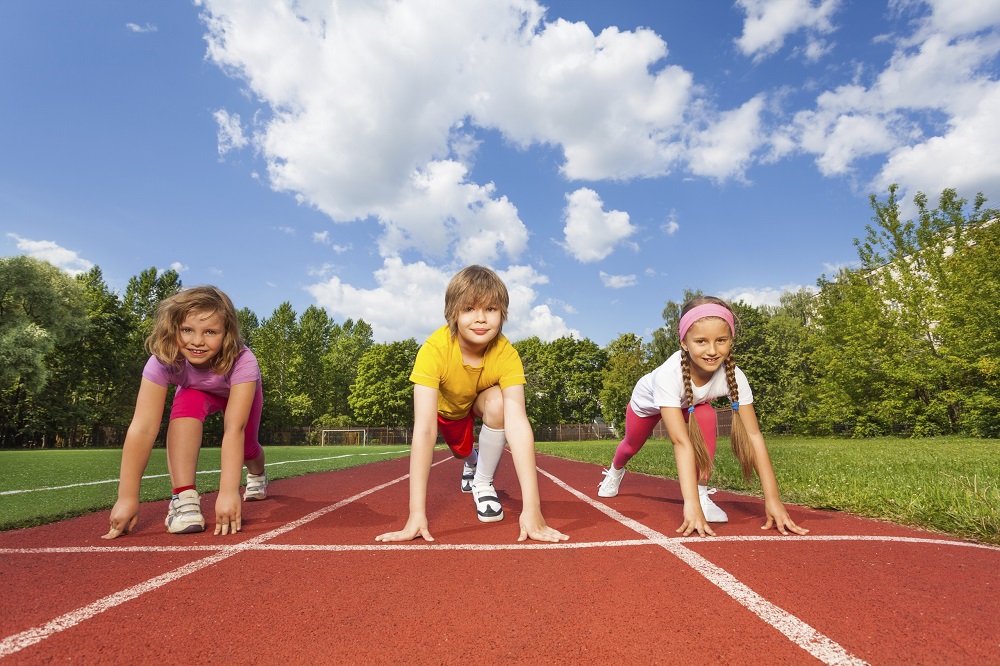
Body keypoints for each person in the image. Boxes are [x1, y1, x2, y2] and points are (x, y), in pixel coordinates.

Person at [376, 265, 568, 543]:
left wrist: (532, 509)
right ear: (453, 313)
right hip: (449, 411)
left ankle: (482, 482)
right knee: (462, 452)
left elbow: (518, 422)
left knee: (501, 405)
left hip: (479, 402)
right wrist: (416, 514)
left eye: (490, 309)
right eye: (468, 309)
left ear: (503, 313)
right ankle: (472, 462)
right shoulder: (435, 350)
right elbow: (425, 429)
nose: (480, 319)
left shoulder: (506, 353)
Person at [597, 296, 808, 537]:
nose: (712, 351)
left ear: (731, 340)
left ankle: (702, 492)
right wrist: (690, 506)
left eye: (721, 340)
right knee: (630, 446)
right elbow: (681, 442)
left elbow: (753, 435)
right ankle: (615, 471)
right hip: (648, 405)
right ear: (684, 343)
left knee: (706, 415)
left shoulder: (734, 376)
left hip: (693, 405)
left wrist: (773, 501)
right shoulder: (668, 374)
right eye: (701, 341)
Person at [102, 286, 267, 539]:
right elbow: (143, 428)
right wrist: (127, 497)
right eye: (187, 330)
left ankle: (257, 473)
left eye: (210, 332)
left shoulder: (244, 360)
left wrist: (228, 492)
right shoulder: (163, 361)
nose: (197, 341)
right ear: (173, 329)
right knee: (186, 404)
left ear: (227, 334)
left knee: (247, 446)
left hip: (239, 392)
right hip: (195, 392)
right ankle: (184, 497)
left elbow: (234, 428)